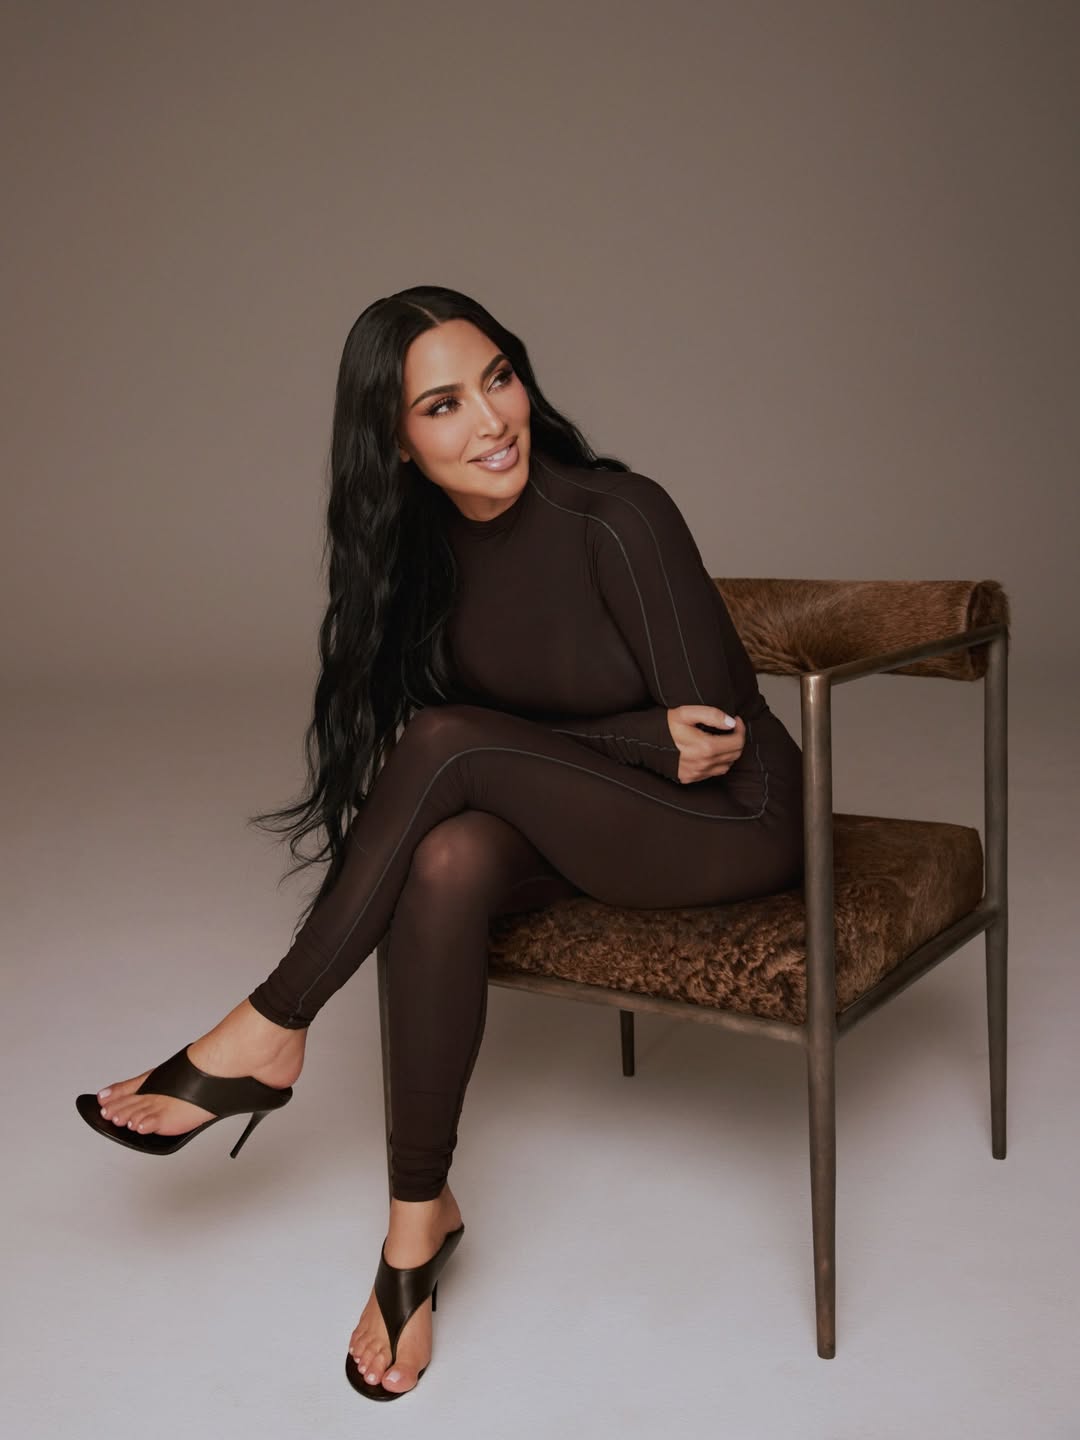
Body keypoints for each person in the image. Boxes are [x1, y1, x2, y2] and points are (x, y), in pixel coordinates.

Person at [75, 284, 805, 1400]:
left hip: (733, 820)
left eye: (498, 379)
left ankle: (266, 1030)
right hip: (596, 816)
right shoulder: (419, 560)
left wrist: (571, 743)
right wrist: (572, 744)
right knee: (444, 859)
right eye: (444, 405)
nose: (492, 420)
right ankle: (419, 1219)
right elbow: (493, 751)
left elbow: (707, 743)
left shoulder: (618, 516)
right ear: (397, 443)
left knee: (448, 743)